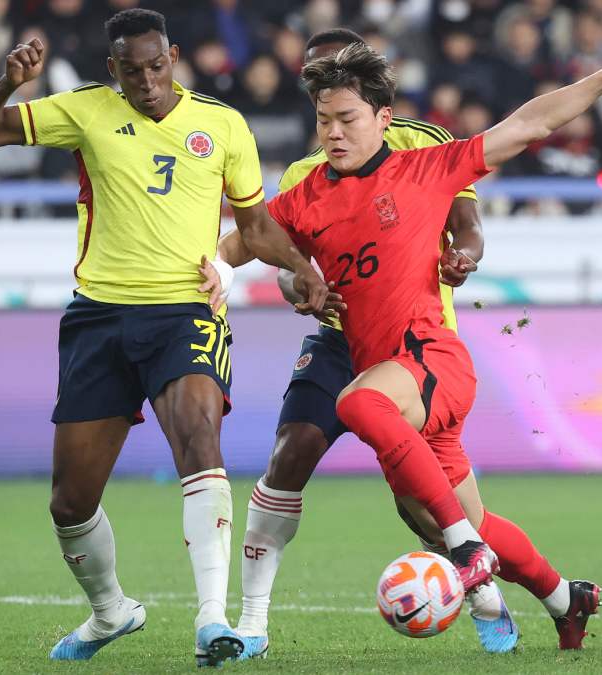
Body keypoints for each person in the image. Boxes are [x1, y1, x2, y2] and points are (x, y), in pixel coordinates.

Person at [262, 41, 602, 654]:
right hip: (396, 376)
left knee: (357, 407)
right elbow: (251, 240)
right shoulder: (305, 191)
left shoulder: (426, 163)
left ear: (383, 117)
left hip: (430, 359)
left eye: (347, 120)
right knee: (439, 514)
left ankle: (466, 552)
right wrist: (243, 270)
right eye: (324, 120)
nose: (333, 133)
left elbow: (532, 123)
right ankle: (566, 599)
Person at [0, 8, 328, 667]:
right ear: (112, 71)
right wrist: (7, 84)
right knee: (70, 501)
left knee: (197, 433)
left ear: (174, 57)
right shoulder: (85, 110)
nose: (148, 82)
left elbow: (257, 224)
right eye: (132, 72)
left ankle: (213, 618)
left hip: (185, 312)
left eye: (157, 67)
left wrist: (302, 267)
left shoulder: (221, 124)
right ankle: (110, 611)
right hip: (98, 318)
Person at [210, 28, 514, 658]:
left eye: (334, 81)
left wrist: (466, 255)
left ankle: (491, 598)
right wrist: (302, 285)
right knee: (288, 456)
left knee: (425, 513)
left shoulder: (423, 143)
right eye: (316, 89)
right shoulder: (305, 171)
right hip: (337, 339)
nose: (326, 108)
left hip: (414, 342)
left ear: (371, 88)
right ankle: (254, 624)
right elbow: (288, 259)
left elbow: (468, 221)